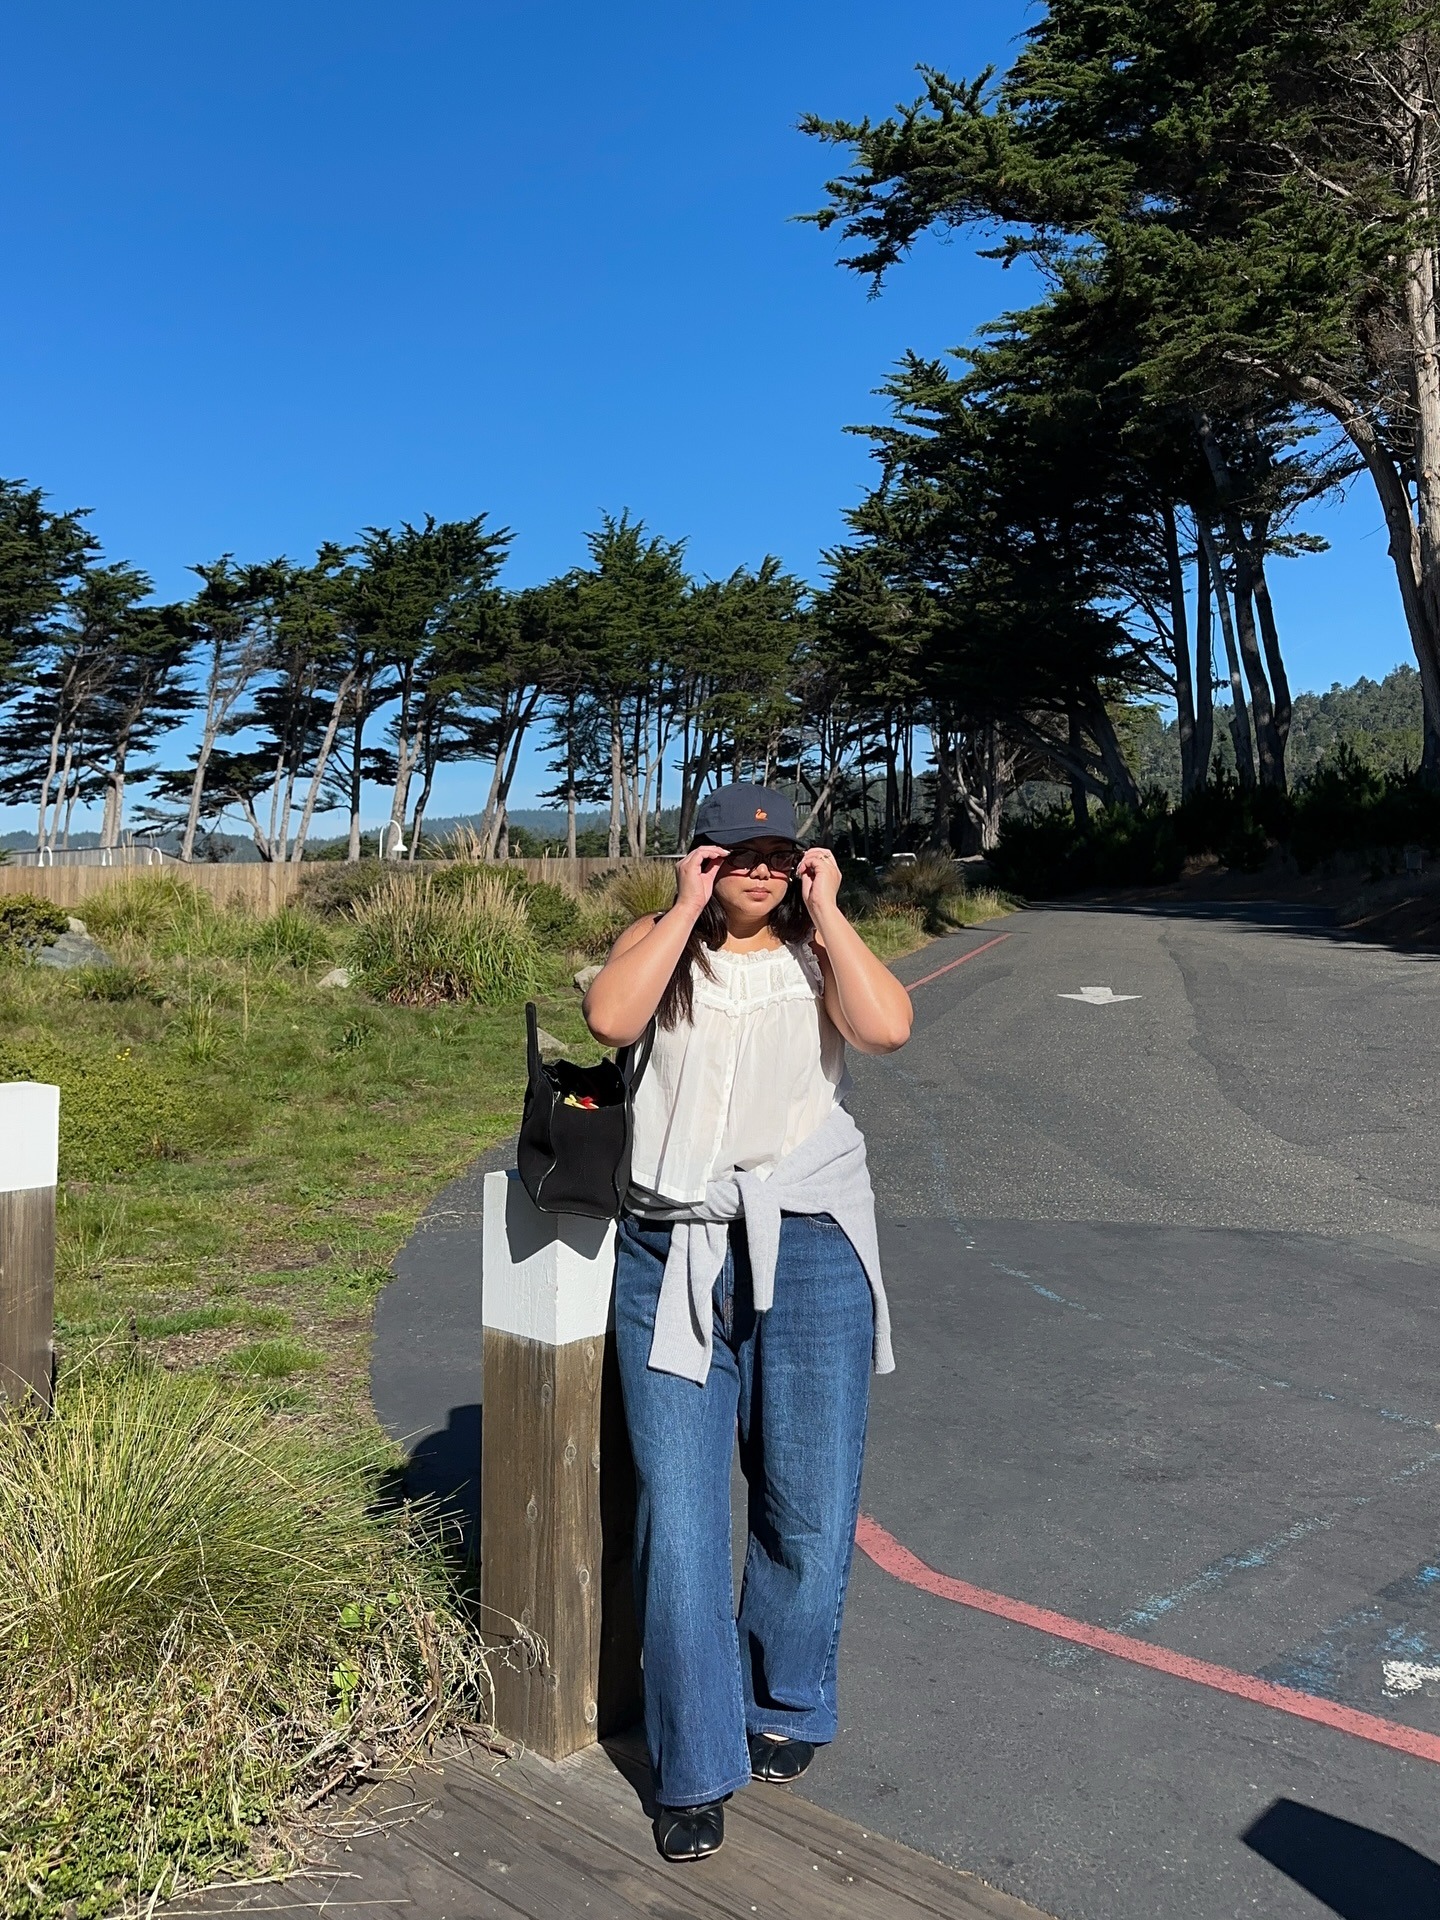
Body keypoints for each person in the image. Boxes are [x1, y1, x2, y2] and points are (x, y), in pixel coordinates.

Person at [582, 782, 913, 1862]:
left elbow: (888, 1029)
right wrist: (681, 908)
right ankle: (694, 1765)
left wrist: (833, 909)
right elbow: (610, 1019)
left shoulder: (821, 956)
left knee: (806, 1500)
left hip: (808, 1243)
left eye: (780, 854)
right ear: (703, 857)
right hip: (670, 1250)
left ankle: (787, 1695)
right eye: (738, 854)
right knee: (678, 1514)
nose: (760, 871)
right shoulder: (660, 941)